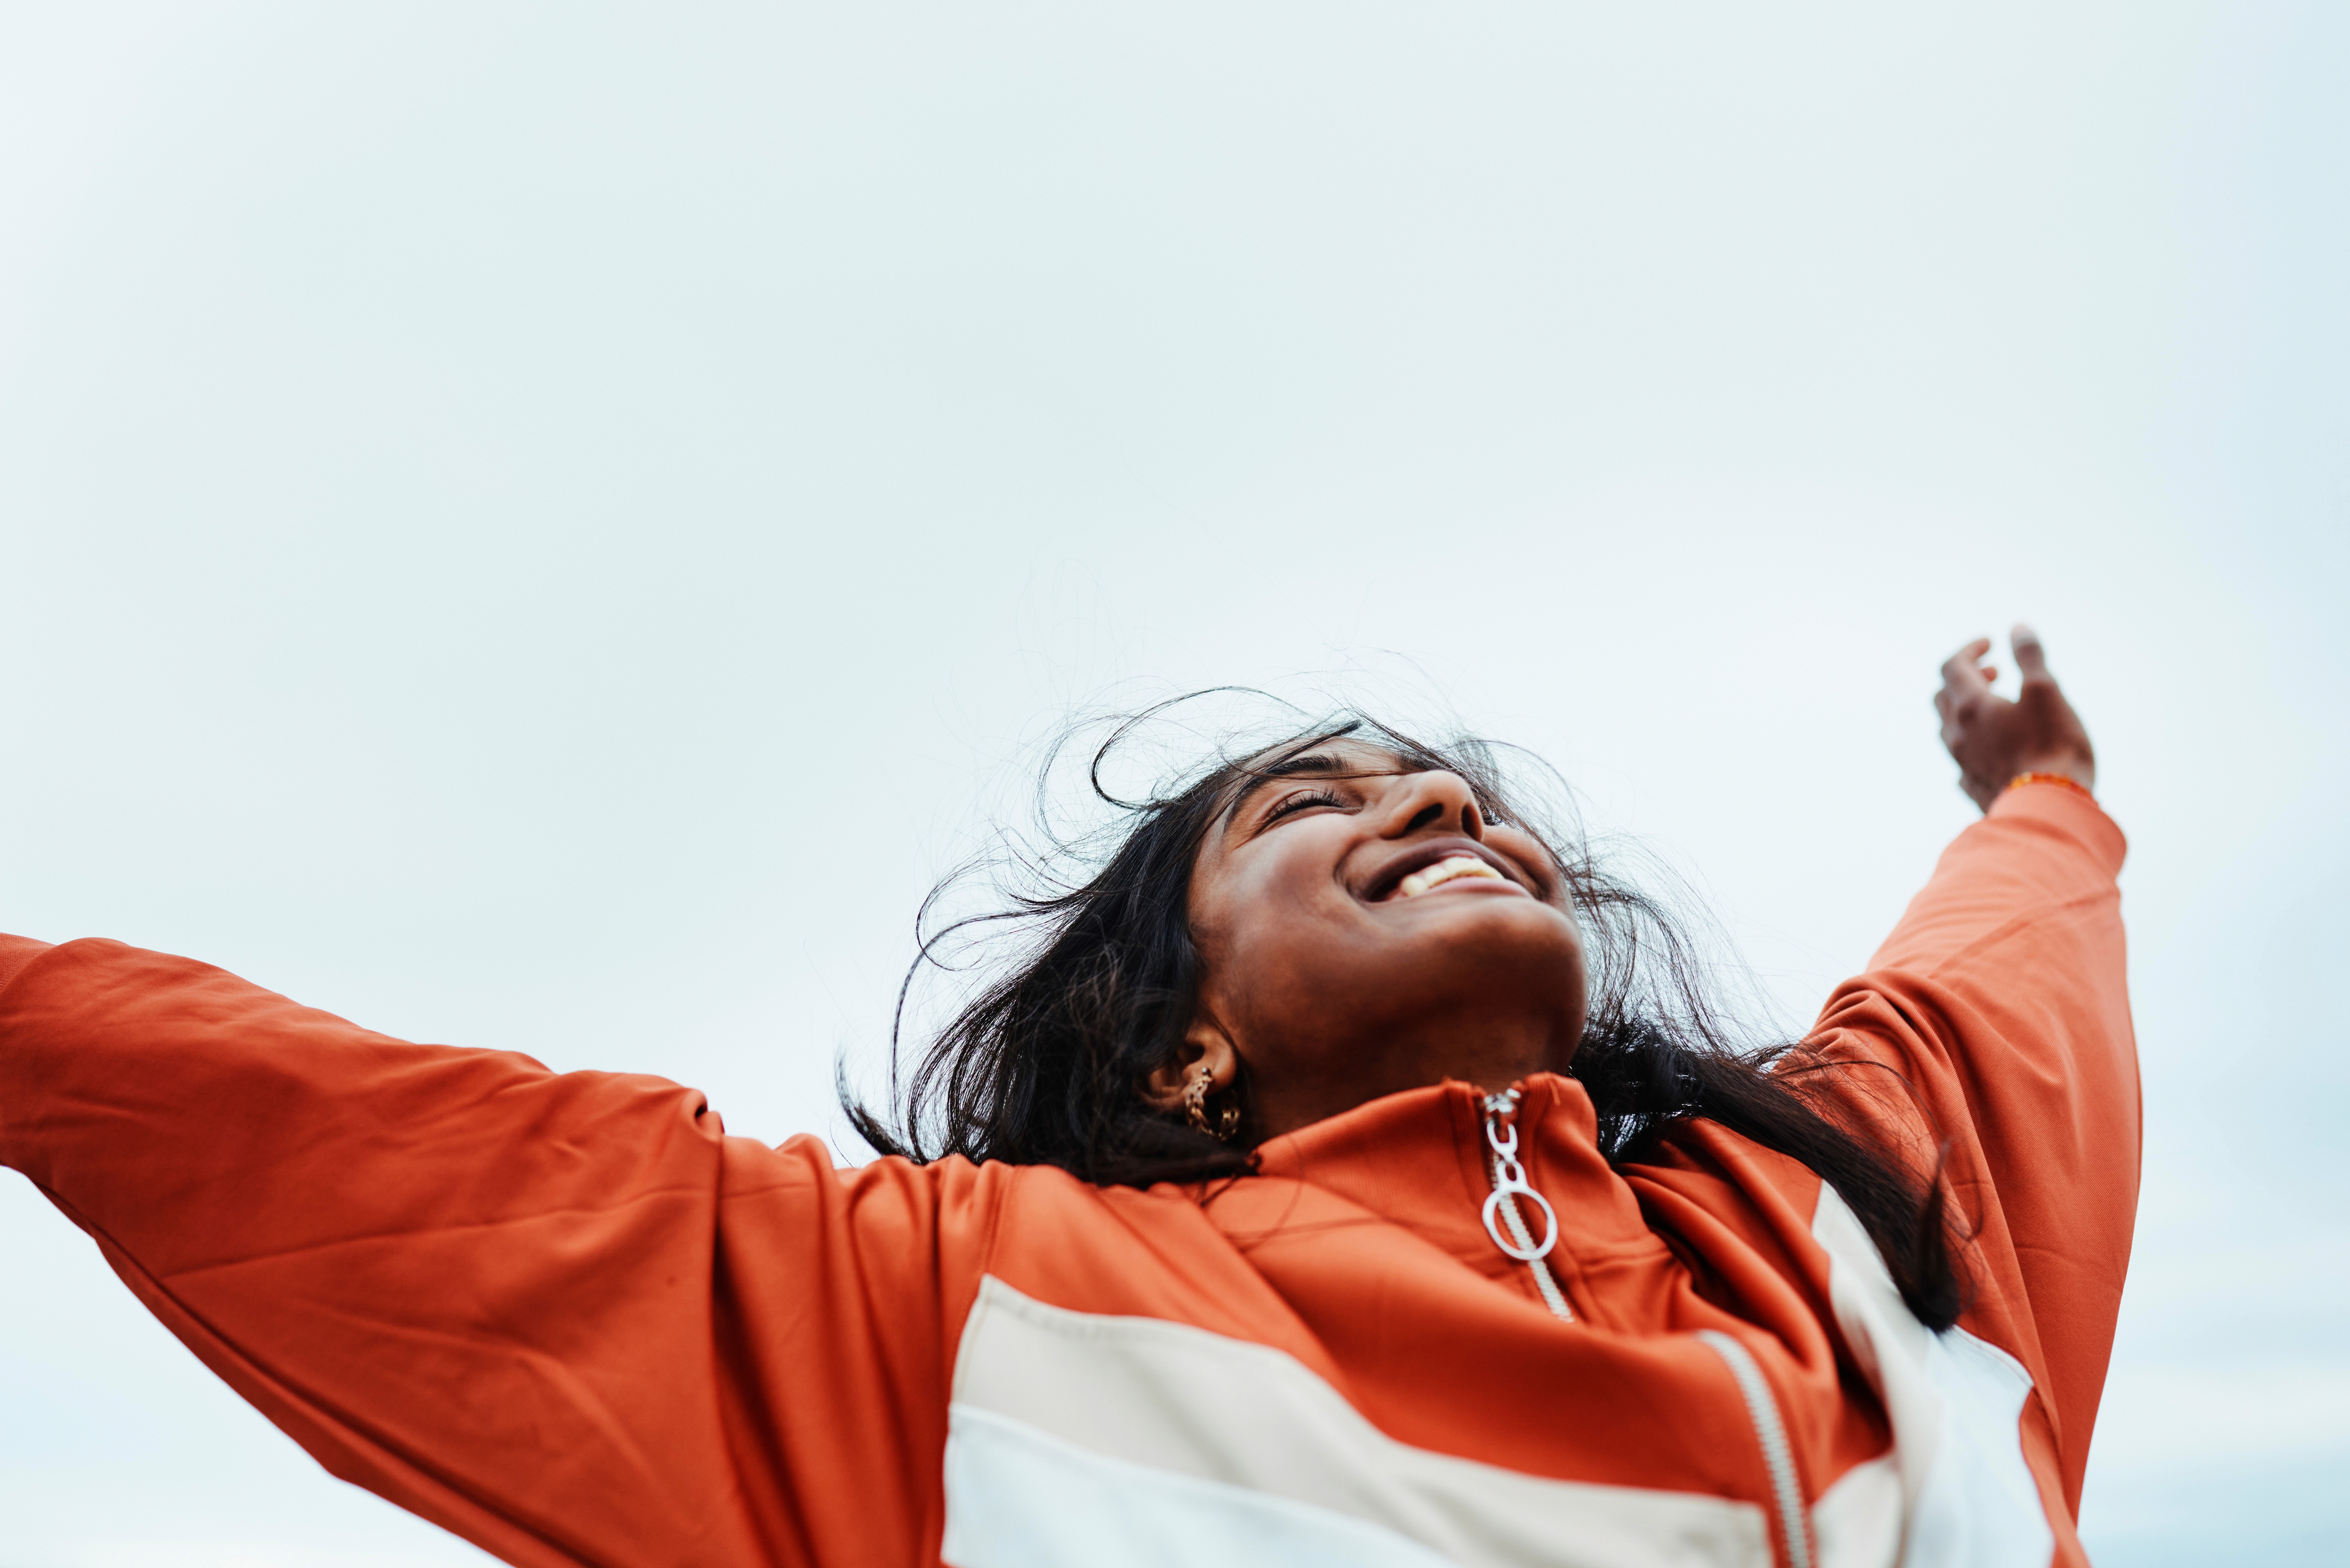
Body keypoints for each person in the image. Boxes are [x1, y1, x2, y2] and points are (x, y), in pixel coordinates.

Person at [0, 629, 2132, 1568]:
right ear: (1175, 1041)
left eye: (1450, 789)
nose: (1436, 800)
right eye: (1313, 806)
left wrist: (2042, 782)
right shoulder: (964, 1325)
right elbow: (365, 1150)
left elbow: (1995, 988)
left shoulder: (1849, 1233)